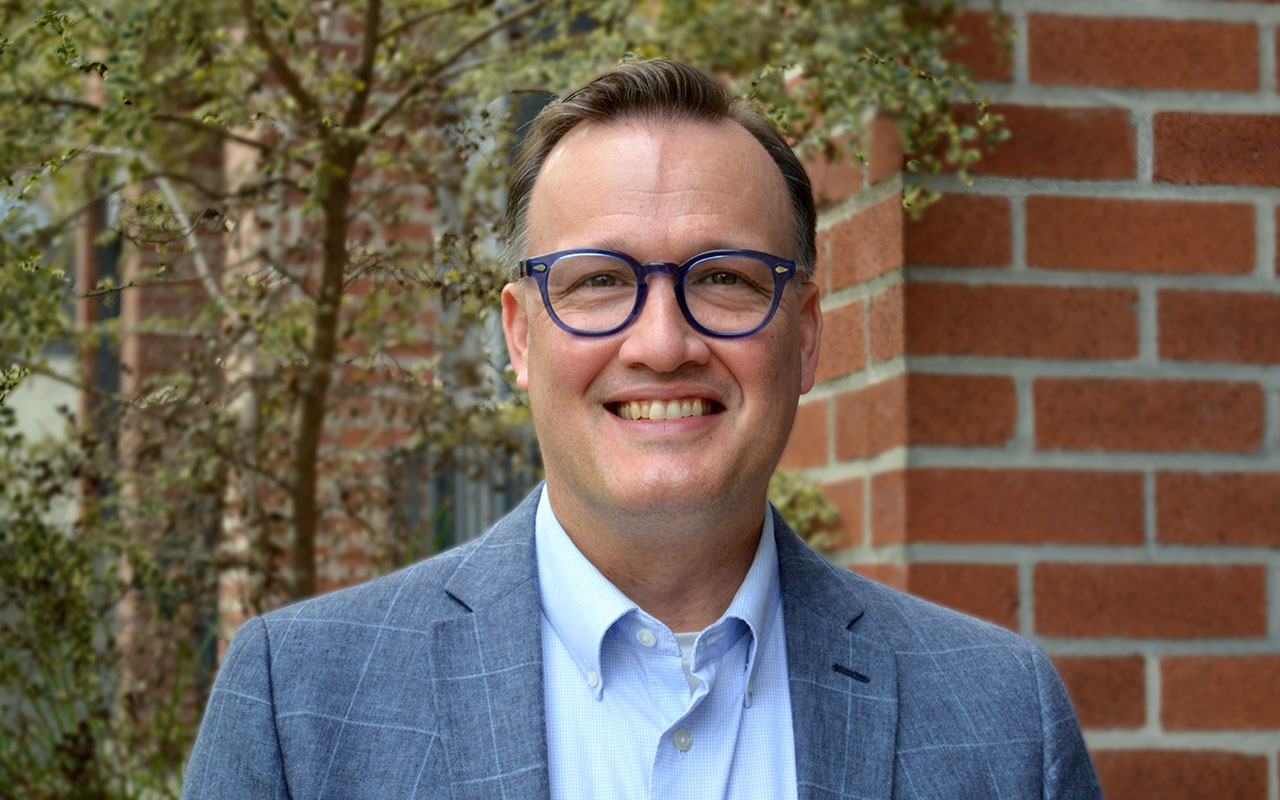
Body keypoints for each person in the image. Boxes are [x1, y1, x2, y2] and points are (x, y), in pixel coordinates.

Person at [181, 59, 1102, 800]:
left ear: (808, 338)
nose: (663, 344)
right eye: (598, 282)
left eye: (725, 279)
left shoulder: (1005, 720)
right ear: (520, 335)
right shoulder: (297, 708)